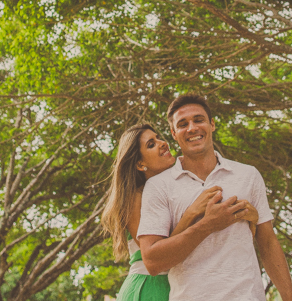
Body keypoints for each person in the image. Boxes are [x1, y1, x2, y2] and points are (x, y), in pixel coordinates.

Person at [137, 94, 292, 301]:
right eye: (183, 124)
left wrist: (289, 298)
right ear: (174, 133)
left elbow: (267, 242)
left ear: (212, 124)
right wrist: (208, 225)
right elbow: (152, 262)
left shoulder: (248, 175)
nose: (192, 128)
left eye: (199, 120)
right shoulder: (159, 186)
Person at [101, 123, 259, 301]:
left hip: (179, 285)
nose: (162, 143)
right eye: (151, 144)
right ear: (140, 163)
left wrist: (250, 215)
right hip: (149, 287)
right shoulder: (136, 197)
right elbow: (156, 258)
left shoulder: (174, 189)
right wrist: (192, 214)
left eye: (158, 137)